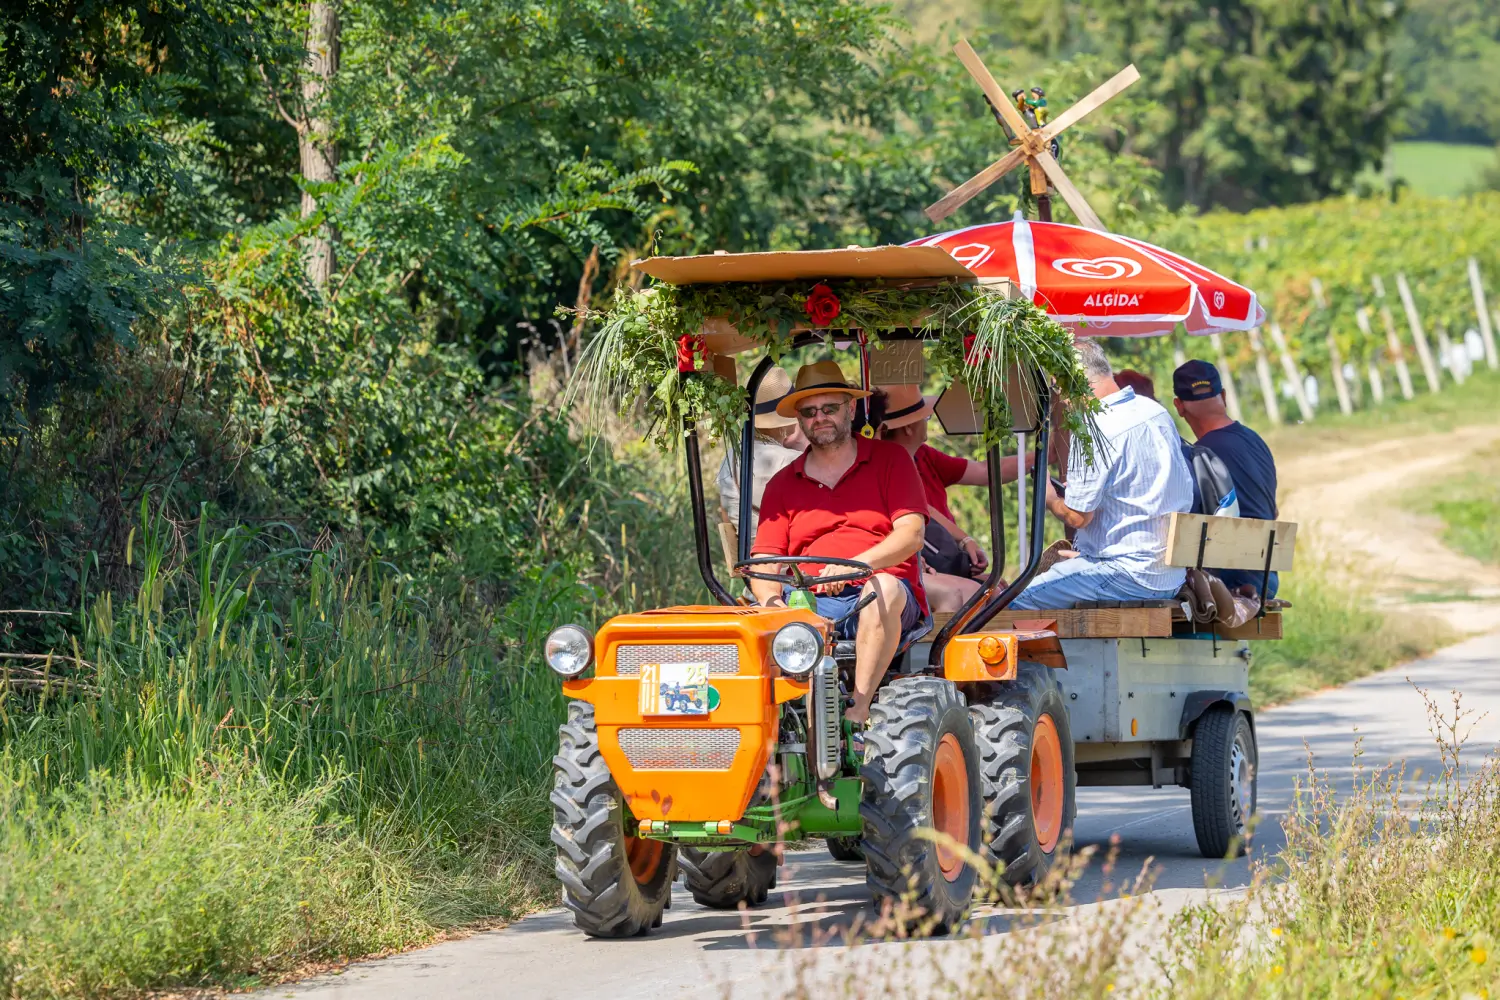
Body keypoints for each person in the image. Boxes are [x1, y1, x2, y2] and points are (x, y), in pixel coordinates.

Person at [751, 361, 927, 725]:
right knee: (748, 623)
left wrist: (854, 566)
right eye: (810, 412)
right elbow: (765, 561)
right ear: (799, 420)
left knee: (883, 588)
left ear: (850, 409)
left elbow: (910, 534)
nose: (820, 418)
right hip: (809, 601)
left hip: (878, 594)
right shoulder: (782, 484)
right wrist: (771, 603)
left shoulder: (890, 460)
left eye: (829, 408)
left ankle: (857, 711)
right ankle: (771, 726)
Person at [1010, 340, 1195, 611]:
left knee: (1012, 604)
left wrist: (1049, 498)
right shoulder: (1153, 411)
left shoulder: (1095, 429)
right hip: (1168, 572)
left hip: (1127, 573)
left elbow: (1078, 517)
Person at [876, 384, 1028, 612]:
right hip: (915, 565)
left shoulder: (922, 456)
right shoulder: (886, 466)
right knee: (978, 595)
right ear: (908, 428)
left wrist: (964, 541)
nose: (929, 422)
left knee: (993, 592)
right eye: (925, 417)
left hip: (937, 560)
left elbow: (984, 472)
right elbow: (912, 519)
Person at [1173, 360, 1281, 598]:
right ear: (1223, 395)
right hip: (1267, 576)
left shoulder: (1198, 456)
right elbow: (1274, 512)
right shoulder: (1255, 440)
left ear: (1179, 406)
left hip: (1228, 580)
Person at [716, 366, 808, 530]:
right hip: (786, 553)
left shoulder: (731, 456)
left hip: (746, 553)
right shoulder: (789, 460)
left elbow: (726, 517)